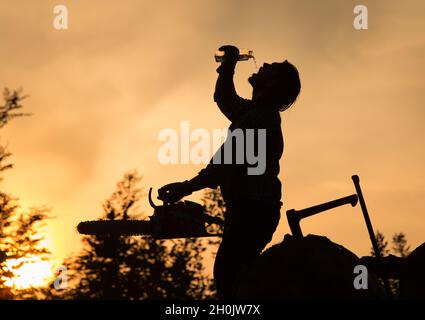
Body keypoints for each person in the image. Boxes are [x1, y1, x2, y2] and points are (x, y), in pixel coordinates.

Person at [158, 45, 301, 298]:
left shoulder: (258, 120)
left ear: (272, 85)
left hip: (252, 212)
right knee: (237, 279)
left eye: (272, 68)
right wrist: (228, 66)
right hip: (253, 210)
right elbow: (225, 99)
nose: (264, 64)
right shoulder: (256, 113)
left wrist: (185, 187)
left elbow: (222, 166)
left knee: (229, 277)